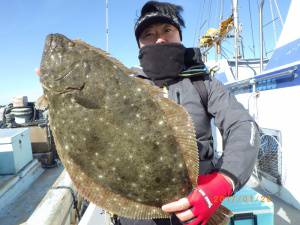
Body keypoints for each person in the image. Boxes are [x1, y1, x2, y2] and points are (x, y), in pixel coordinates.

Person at [117, 1, 260, 225]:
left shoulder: (203, 83)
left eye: (167, 30)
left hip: (198, 205)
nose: (160, 39)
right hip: (140, 212)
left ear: (179, 35)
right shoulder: (123, 90)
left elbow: (242, 125)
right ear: (139, 45)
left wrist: (224, 181)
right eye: (148, 34)